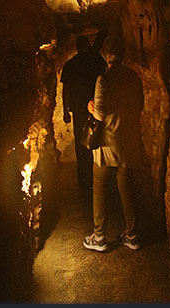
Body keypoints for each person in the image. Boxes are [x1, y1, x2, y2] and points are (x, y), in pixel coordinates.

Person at [83, 35, 145, 253]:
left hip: (108, 142)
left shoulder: (104, 79)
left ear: (105, 55)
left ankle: (99, 236)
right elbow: (140, 105)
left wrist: (91, 109)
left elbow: (99, 114)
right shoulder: (134, 77)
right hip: (129, 140)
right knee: (126, 186)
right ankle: (132, 233)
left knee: (99, 186)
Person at [61, 33, 105, 194]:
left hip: (78, 109)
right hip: (97, 108)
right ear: (87, 46)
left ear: (76, 47)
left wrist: (65, 110)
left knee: (81, 142)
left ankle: (83, 178)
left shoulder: (70, 65)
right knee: (97, 140)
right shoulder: (96, 62)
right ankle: (97, 176)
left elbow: (66, 90)